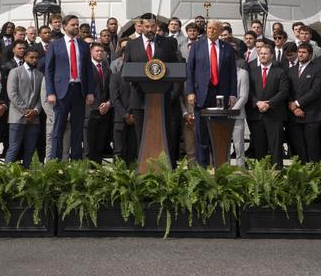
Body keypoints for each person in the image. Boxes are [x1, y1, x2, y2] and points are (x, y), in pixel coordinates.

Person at [122, 13, 182, 164]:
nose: (150, 29)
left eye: (153, 26)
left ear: (157, 26)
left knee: (163, 134)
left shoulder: (168, 43)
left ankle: (164, 166)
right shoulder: (132, 45)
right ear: (141, 27)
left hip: (162, 99)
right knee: (141, 135)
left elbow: (176, 68)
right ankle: (143, 166)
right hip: (139, 98)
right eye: (147, 26)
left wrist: (173, 93)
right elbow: (126, 69)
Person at [185, 19, 238, 167]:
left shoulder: (227, 48)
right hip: (201, 95)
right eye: (209, 28)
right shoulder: (197, 46)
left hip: (221, 95)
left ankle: (220, 166)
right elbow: (190, 70)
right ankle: (202, 167)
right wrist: (190, 92)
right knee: (201, 134)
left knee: (219, 133)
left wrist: (233, 95)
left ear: (220, 31)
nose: (211, 31)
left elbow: (232, 73)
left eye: (215, 29)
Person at [45, 15, 95, 160]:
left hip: (79, 90)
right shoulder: (55, 45)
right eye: (73, 24)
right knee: (58, 128)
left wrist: (90, 92)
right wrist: (50, 92)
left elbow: (88, 71)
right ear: (65, 26)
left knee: (77, 128)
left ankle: (76, 162)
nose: (76, 27)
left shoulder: (84, 45)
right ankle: (55, 160)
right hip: (61, 92)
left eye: (77, 24)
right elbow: (49, 70)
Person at [246, 44, 289, 167]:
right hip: (256, 115)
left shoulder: (280, 72)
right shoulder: (252, 72)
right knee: (259, 148)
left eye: (265, 53)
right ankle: (261, 176)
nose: (262, 56)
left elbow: (284, 91)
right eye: (260, 53)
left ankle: (278, 174)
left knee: (276, 148)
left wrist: (269, 104)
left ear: (272, 56)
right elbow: (248, 91)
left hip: (274, 115)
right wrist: (257, 102)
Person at [287, 43, 321, 163]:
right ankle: (301, 172)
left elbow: (317, 90)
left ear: (310, 55)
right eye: (299, 52)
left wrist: (298, 103)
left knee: (312, 145)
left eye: (304, 52)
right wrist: (293, 107)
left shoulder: (318, 69)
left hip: (312, 114)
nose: (300, 54)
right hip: (294, 114)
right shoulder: (291, 70)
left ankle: (314, 171)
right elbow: (286, 90)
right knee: (298, 145)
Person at [6, 48, 45, 167]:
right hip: (17, 117)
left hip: (34, 118)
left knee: (30, 149)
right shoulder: (15, 72)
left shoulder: (40, 74)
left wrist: (36, 111)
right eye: (31, 57)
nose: (34, 60)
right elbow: (12, 93)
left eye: (36, 58)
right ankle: (5, 174)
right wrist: (26, 111)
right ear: (25, 58)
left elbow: (41, 96)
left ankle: (28, 175)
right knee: (14, 147)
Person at [83, 43, 113, 162]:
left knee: (99, 146)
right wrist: (96, 105)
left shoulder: (107, 68)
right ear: (91, 52)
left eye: (102, 51)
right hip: (90, 111)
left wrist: (108, 103)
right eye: (97, 51)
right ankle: (87, 173)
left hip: (104, 112)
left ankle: (97, 172)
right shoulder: (85, 67)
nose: (100, 53)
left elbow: (111, 90)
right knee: (89, 146)